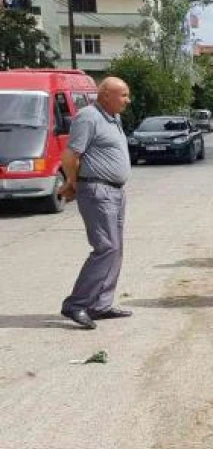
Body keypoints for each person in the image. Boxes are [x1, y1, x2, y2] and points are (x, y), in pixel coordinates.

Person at [58, 77, 134, 330]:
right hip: (97, 190)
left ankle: (100, 305)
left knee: (116, 249)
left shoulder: (113, 118)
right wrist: (72, 182)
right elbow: (71, 154)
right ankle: (76, 304)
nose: (127, 100)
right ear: (105, 96)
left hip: (115, 191)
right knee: (106, 248)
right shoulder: (88, 116)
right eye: (123, 95)